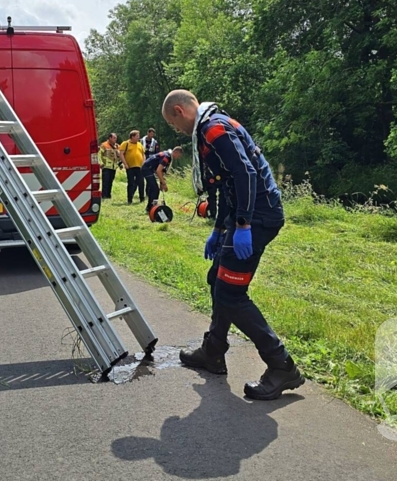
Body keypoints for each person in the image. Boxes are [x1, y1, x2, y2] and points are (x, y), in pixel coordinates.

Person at [161, 89, 303, 400]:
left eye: (174, 126)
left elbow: (245, 174)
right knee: (218, 279)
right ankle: (213, 351)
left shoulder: (214, 129)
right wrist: (219, 228)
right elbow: (227, 183)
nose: (178, 131)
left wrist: (242, 225)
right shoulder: (210, 127)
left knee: (230, 292)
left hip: (258, 217)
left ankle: (282, 366)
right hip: (247, 216)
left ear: (178, 112)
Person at [141, 146, 183, 213]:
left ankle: (149, 208)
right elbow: (158, 171)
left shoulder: (168, 155)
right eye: (179, 155)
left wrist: (161, 183)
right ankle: (151, 209)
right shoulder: (167, 157)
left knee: (154, 189)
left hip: (149, 169)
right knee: (155, 189)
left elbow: (162, 171)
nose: (178, 157)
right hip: (147, 169)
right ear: (175, 152)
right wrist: (164, 183)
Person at [118, 129, 145, 204]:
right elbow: (121, 154)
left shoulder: (139, 144)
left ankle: (142, 198)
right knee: (131, 183)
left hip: (139, 166)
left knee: (141, 183)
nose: (138, 137)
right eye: (137, 136)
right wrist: (125, 164)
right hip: (130, 167)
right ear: (132, 136)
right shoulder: (125, 143)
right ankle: (130, 199)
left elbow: (143, 154)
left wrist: (144, 163)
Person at [98, 133, 122, 199]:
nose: (115, 139)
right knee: (105, 182)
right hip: (106, 166)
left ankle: (108, 195)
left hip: (113, 167)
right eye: (114, 138)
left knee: (110, 182)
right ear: (110, 138)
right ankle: (104, 195)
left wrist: (120, 164)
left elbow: (119, 157)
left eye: (116, 138)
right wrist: (101, 163)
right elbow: (99, 154)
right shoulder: (104, 145)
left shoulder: (117, 146)